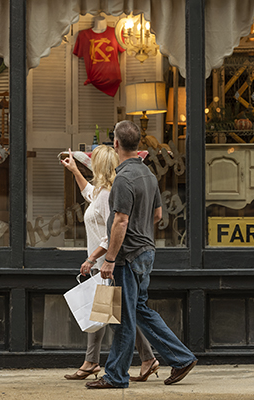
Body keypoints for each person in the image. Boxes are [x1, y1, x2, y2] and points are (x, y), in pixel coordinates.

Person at [84, 120, 197, 389]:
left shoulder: (123, 178)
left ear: (116, 143)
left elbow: (120, 221)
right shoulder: (148, 175)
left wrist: (109, 259)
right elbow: (158, 215)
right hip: (147, 253)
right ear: (138, 145)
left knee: (123, 317)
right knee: (138, 310)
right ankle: (181, 358)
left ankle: (115, 376)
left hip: (127, 256)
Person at [60, 145, 161, 382]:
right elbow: (88, 193)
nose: (90, 167)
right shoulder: (101, 192)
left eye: (92, 164)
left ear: (100, 166)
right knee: (106, 313)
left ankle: (141, 358)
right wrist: (75, 171)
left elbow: (112, 232)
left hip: (108, 264)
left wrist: (93, 257)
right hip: (103, 265)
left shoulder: (109, 194)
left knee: (115, 315)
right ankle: (95, 361)